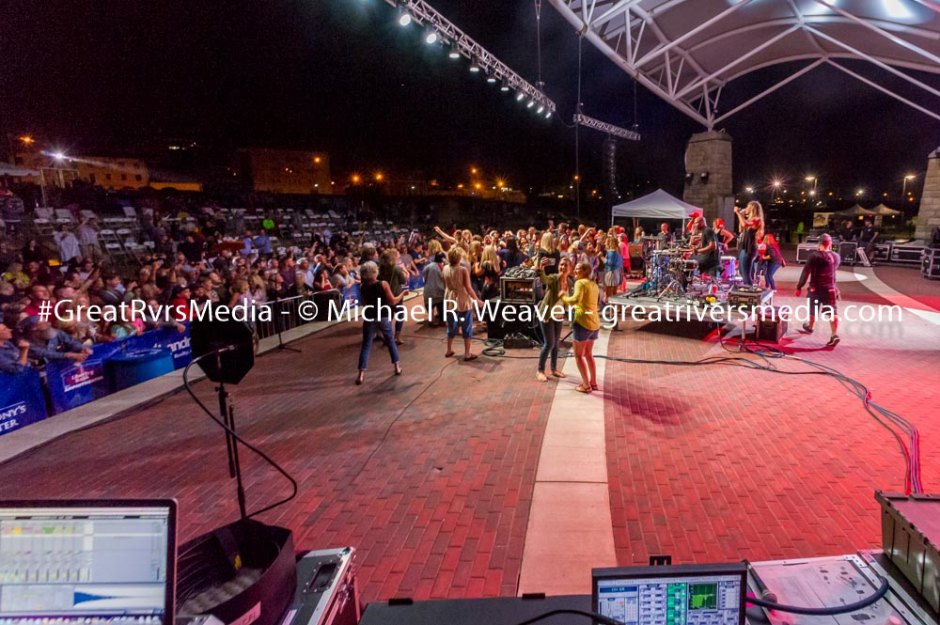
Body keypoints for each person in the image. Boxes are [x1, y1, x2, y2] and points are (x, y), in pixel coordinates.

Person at [355, 261, 406, 385]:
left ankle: (361, 374)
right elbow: (393, 301)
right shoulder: (383, 284)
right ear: (374, 272)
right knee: (390, 341)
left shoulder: (362, 286)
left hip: (369, 317)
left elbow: (363, 302)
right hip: (382, 316)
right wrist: (403, 294)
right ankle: (397, 366)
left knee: (366, 345)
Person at [796, 233, 841, 347]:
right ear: (830, 244)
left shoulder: (814, 256)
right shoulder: (836, 256)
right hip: (830, 288)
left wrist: (799, 286)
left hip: (815, 288)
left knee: (813, 310)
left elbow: (806, 272)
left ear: (819, 243)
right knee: (832, 312)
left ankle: (811, 327)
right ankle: (834, 334)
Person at [562, 261, 600, 393]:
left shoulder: (580, 283)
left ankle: (585, 385)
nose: (575, 271)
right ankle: (593, 383)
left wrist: (563, 297)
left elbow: (575, 299)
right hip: (594, 323)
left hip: (582, 323)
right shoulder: (594, 285)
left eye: (578, 269)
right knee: (588, 354)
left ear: (585, 271)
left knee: (578, 356)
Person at [442, 246, 482, 361]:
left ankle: (449, 349)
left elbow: (445, 284)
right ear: (459, 258)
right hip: (462, 299)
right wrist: (477, 300)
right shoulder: (462, 270)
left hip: (450, 298)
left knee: (451, 325)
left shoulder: (445, 268)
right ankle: (467, 353)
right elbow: (468, 288)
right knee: (466, 326)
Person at [536, 256, 572, 382]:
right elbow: (544, 279)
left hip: (558, 315)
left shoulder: (570, 283)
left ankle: (554, 369)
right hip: (547, 314)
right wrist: (541, 269)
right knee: (549, 343)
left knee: (556, 344)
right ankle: (540, 370)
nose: (563, 267)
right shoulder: (554, 278)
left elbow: (568, 300)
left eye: (565, 265)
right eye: (561, 264)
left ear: (570, 269)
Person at [422, 251, 446, 327]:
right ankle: (442, 320)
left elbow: (424, 278)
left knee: (430, 306)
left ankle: (431, 320)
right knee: (441, 306)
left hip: (428, 291)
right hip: (440, 292)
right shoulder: (443, 267)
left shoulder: (428, 266)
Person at [602, 235, 624, 300]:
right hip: (617, 272)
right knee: (614, 292)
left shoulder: (611, 252)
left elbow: (609, 263)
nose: (605, 243)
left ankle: (610, 307)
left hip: (611, 273)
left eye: (606, 242)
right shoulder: (618, 251)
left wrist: (601, 257)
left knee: (608, 292)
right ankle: (614, 307)